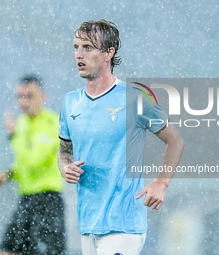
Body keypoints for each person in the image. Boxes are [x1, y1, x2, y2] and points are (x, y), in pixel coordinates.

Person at [58, 19, 184, 255]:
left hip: (124, 223)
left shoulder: (133, 97)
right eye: (76, 47)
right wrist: (65, 168)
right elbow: (64, 151)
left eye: (87, 47)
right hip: (88, 224)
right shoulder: (70, 102)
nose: (78, 54)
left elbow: (175, 140)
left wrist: (162, 182)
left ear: (109, 53)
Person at [0, 75, 65, 255]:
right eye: (19, 96)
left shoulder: (52, 123)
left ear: (43, 96)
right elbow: (24, 164)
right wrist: (9, 174)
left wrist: (13, 137)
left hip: (47, 200)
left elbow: (35, 161)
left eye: (29, 96)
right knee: (4, 252)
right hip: (26, 200)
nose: (23, 102)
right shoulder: (22, 123)